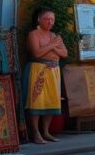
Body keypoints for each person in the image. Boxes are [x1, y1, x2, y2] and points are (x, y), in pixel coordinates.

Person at [23, 8, 68, 144]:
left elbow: (64, 53)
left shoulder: (54, 36)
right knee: (37, 101)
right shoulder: (33, 34)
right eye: (47, 19)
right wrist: (53, 46)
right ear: (39, 19)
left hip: (53, 71)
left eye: (52, 19)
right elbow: (36, 53)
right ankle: (36, 132)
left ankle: (46, 131)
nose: (50, 22)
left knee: (51, 101)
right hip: (38, 70)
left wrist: (51, 47)